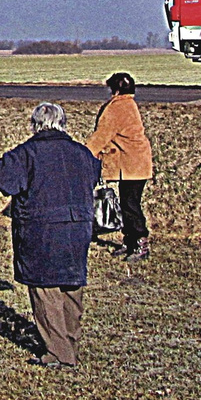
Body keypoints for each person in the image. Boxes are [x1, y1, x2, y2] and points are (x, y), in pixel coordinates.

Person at [0, 102, 100, 369]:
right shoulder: (82, 153)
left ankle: (59, 354)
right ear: (63, 123)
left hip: (42, 229)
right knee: (72, 286)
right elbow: (94, 177)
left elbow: (3, 180)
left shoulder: (27, 153)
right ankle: (69, 345)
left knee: (45, 289)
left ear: (35, 124)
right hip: (79, 227)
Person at [85, 72, 155, 261]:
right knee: (127, 203)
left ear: (114, 89)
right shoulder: (130, 104)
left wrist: (83, 154)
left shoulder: (117, 107)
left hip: (132, 164)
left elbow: (101, 135)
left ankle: (140, 241)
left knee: (131, 205)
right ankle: (130, 241)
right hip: (137, 163)